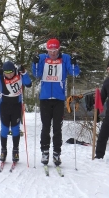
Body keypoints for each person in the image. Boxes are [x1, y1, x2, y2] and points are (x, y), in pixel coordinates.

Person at [32, 38, 80, 166]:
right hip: (45, 99)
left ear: (59, 49)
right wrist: (34, 62)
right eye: (50, 51)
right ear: (47, 50)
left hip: (59, 99)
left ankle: (57, 153)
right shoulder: (42, 58)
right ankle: (45, 152)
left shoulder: (65, 58)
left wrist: (75, 63)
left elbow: (75, 72)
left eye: (54, 50)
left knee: (57, 128)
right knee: (45, 127)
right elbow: (36, 74)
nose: (52, 53)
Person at [0, 61, 32, 162]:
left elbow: (28, 84)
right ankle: (3, 150)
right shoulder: (0, 75)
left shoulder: (19, 74)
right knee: (4, 129)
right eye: (6, 72)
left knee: (15, 129)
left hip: (16, 105)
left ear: (14, 70)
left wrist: (24, 71)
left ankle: (15, 151)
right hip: (4, 105)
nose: (9, 75)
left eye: (11, 72)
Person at [95, 61, 109, 159]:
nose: (108, 69)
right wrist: (97, 111)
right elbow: (102, 97)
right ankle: (99, 155)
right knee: (103, 133)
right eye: (108, 68)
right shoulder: (107, 81)